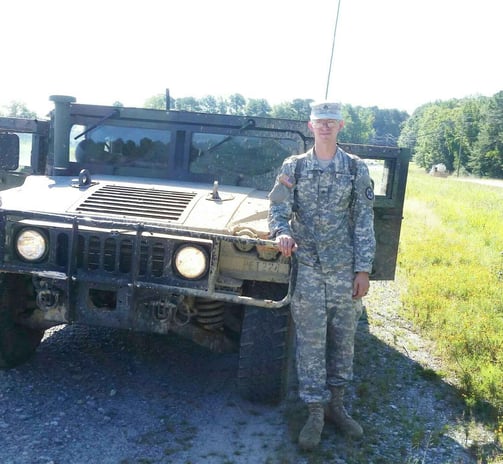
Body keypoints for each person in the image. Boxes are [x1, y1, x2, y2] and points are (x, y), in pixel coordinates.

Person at [268, 101, 375, 451]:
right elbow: (278, 208)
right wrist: (281, 233)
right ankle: (314, 412)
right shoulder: (293, 166)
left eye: (331, 122)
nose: (325, 127)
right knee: (312, 342)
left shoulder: (356, 169)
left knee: (344, 340)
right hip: (309, 268)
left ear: (341, 125)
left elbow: (363, 220)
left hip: (345, 270)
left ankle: (337, 407)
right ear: (310, 126)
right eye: (320, 122)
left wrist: (363, 270)